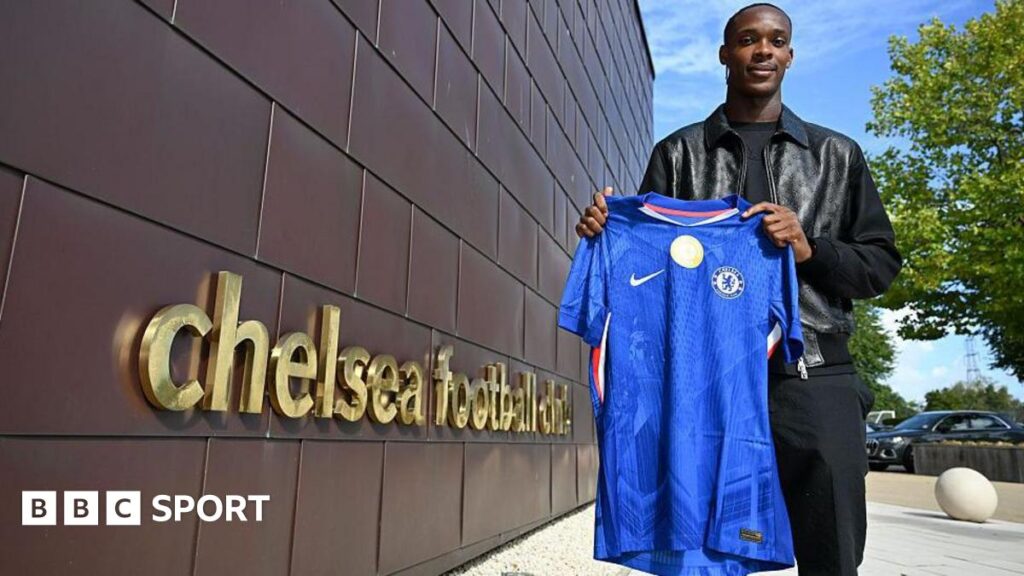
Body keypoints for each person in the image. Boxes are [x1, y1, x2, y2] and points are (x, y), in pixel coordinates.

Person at [575, 3, 902, 575]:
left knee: (831, 549)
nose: (763, 50)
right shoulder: (678, 153)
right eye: (748, 39)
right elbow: (648, 272)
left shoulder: (836, 155)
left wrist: (809, 249)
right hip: (704, 382)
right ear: (725, 54)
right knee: (699, 552)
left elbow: (880, 265)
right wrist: (607, 233)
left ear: (790, 55)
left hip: (812, 376)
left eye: (776, 40)